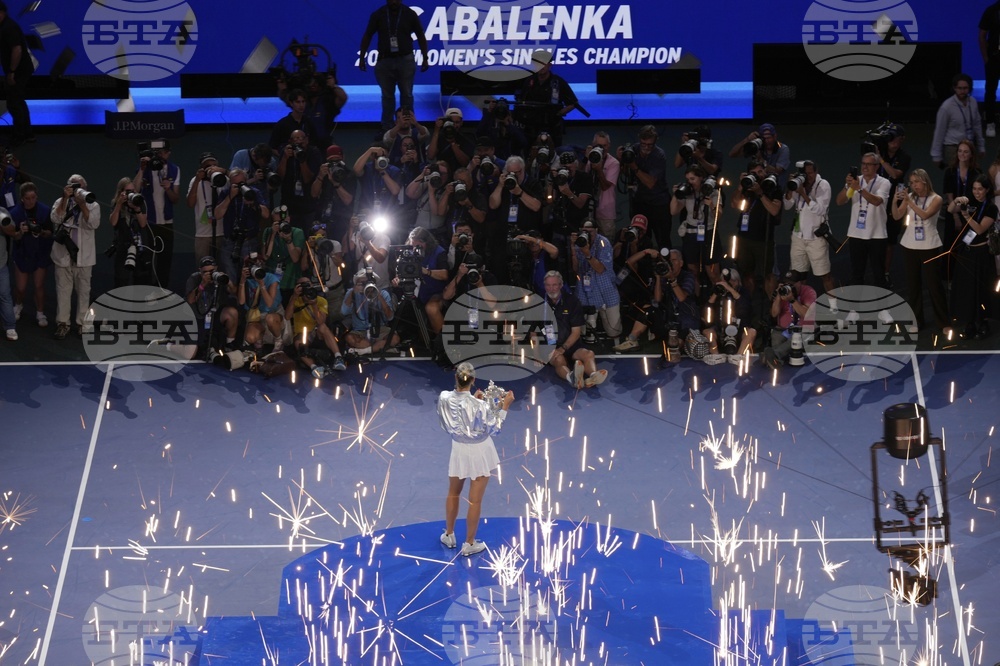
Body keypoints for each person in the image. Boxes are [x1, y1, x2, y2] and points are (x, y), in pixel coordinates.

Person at [437, 362, 514, 557]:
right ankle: (469, 543)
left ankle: (449, 534)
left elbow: (451, 420)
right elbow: (495, 429)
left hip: (458, 449)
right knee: (475, 501)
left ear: (456, 377)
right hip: (480, 452)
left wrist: (474, 403)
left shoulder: (444, 397)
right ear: (473, 380)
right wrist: (505, 406)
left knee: (453, 493)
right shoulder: (479, 405)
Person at [614, 249, 699, 360]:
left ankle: (678, 345)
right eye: (669, 261)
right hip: (668, 317)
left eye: (674, 260)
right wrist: (658, 278)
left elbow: (681, 297)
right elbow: (658, 299)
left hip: (685, 318)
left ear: (681, 263)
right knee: (648, 309)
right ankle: (632, 340)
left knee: (675, 349)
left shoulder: (688, 276)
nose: (671, 263)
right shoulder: (664, 276)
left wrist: (672, 279)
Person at [358, 0, 429, 130]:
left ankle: (408, 126)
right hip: (384, 60)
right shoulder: (378, 14)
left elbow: (421, 36)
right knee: (387, 96)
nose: (394, 2)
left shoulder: (409, 14)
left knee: (407, 94)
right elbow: (367, 35)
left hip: (405, 59)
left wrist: (425, 57)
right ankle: (387, 127)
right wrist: (362, 57)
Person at [891, 168, 947, 333]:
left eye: (916, 182)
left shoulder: (936, 199)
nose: (913, 185)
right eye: (911, 182)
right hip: (910, 245)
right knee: (913, 285)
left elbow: (925, 215)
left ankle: (944, 322)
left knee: (934, 285)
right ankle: (916, 320)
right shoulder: (910, 197)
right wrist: (894, 202)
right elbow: (896, 216)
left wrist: (909, 202)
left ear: (924, 181)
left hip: (929, 245)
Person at [946, 174, 997, 340]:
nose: (977, 192)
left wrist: (967, 216)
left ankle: (983, 321)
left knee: (982, 288)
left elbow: (980, 229)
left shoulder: (991, 208)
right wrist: (956, 200)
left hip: (981, 254)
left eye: (980, 189)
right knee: (967, 288)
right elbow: (950, 210)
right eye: (974, 189)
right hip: (966, 251)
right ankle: (969, 321)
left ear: (987, 190)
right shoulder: (969, 202)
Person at [50, 175, 100, 340]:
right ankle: (63, 323)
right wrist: (65, 199)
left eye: (80, 186)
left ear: (85, 188)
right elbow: (55, 218)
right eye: (74, 186)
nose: (78, 190)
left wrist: (82, 204)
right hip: (63, 255)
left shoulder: (93, 205)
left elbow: (93, 224)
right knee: (63, 292)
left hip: (84, 257)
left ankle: (82, 324)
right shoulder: (60, 202)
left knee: (84, 292)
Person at [542, 270, 608, 388]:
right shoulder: (539, 303)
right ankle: (572, 378)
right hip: (550, 347)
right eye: (548, 285)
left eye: (554, 285)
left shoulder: (572, 301)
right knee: (559, 360)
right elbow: (533, 333)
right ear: (544, 286)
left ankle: (593, 376)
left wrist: (563, 348)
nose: (551, 289)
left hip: (570, 345)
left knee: (588, 354)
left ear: (561, 285)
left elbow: (576, 332)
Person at [836, 153, 891, 287]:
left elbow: (877, 201)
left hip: (877, 235)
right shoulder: (855, 181)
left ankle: (881, 300)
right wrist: (847, 186)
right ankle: (857, 300)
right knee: (857, 274)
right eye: (863, 163)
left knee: (879, 274)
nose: (865, 167)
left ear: (876, 166)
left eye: (869, 164)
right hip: (856, 234)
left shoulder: (884, 183)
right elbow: (840, 201)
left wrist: (859, 189)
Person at [782, 160, 835, 294]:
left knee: (825, 275)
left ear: (816, 172)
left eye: (810, 173)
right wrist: (790, 188)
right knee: (798, 276)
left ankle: (834, 304)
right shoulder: (798, 183)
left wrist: (803, 194)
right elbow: (787, 206)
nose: (808, 176)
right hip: (798, 237)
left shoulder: (823, 185)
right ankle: (800, 303)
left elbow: (820, 210)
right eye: (805, 174)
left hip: (816, 238)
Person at [133, 140, 180, 287]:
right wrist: (142, 169)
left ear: (168, 153)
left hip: (166, 222)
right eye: (157, 152)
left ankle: (162, 290)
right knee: (147, 259)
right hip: (149, 221)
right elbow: (135, 190)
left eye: (163, 152)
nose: (160, 155)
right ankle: (146, 290)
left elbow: (175, 199)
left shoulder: (174, 169)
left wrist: (168, 188)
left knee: (165, 260)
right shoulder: (145, 168)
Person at [731, 160, 782, 296]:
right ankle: (748, 301)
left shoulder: (773, 187)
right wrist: (740, 186)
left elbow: (774, 210)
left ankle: (772, 304)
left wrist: (760, 193)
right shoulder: (746, 186)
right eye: (754, 173)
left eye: (760, 171)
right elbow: (734, 204)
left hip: (764, 239)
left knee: (768, 274)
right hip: (745, 237)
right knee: (747, 273)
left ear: (765, 171)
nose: (758, 175)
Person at [670, 164, 723, 293]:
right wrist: (676, 195)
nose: (690, 182)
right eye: (688, 179)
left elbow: (719, 216)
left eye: (693, 179)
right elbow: (673, 211)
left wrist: (711, 205)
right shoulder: (687, 192)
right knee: (693, 271)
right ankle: (695, 299)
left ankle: (717, 297)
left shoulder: (713, 192)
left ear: (701, 178)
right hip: (691, 233)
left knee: (712, 271)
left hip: (708, 232)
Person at [619, 125, 671, 248]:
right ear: (639, 139)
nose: (646, 147)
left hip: (658, 204)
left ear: (655, 142)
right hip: (639, 202)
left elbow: (650, 183)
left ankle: (665, 259)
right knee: (641, 239)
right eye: (643, 144)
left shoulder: (659, 155)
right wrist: (622, 160)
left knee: (663, 240)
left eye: (650, 145)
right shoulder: (633, 150)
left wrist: (634, 166)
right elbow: (626, 174)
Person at [570, 221, 621, 345]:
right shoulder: (579, 242)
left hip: (605, 289)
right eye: (584, 230)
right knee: (583, 330)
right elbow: (576, 269)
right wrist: (573, 248)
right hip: (585, 289)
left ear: (596, 230)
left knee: (614, 330)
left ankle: (616, 344)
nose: (587, 233)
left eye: (590, 231)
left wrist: (587, 254)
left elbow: (600, 269)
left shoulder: (603, 243)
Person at [9, 182, 52, 328]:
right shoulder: (15, 213)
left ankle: (40, 313)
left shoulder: (45, 211)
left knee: (39, 285)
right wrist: (20, 232)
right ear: (22, 198)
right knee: (21, 288)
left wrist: (41, 231)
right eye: (27, 198)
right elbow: (14, 236)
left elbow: (50, 233)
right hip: (23, 253)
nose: (31, 201)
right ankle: (18, 305)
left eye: (33, 197)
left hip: (40, 252)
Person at [516, 50, 579, 147]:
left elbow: (574, 103)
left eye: (544, 63)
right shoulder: (529, 81)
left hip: (552, 128)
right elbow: (520, 102)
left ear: (550, 65)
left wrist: (559, 113)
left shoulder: (558, 82)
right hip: (531, 128)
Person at [286, 277, 346, 376]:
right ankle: (314, 367)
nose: (306, 287)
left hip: (317, 332)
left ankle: (338, 357)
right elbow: (287, 317)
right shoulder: (295, 300)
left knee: (323, 326)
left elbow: (320, 321)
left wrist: (314, 305)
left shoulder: (321, 300)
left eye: (308, 283)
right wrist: (294, 296)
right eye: (302, 284)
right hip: (302, 334)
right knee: (298, 343)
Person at [758, 270, 817, 370]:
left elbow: (807, 314)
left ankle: (773, 355)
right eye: (786, 283)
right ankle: (775, 360)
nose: (789, 286)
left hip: (802, 329)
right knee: (776, 337)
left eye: (792, 284)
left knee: (798, 337)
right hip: (783, 329)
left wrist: (792, 300)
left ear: (799, 283)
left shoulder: (808, 292)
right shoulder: (782, 291)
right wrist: (778, 297)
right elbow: (774, 314)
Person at [875, 125, 911, 286]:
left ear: (901, 139)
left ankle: (886, 272)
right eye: (889, 137)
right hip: (876, 198)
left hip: (894, 200)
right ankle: (876, 270)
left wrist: (881, 160)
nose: (892, 141)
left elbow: (895, 174)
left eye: (895, 137)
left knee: (890, 240)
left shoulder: (904, 156)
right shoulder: (879, 151)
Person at [184, 255, 239, 353]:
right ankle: (168, 345)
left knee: (232, 313)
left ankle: (229, 345)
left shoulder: (219, 278)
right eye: (205, 272)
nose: (209, 274)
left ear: (216, 268)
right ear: (200, 271)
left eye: (211, 271)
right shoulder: (194, 278)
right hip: (197, 317)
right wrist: (203, 284)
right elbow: (190, 300)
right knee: (191, 351)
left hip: (214, 315)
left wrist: (228, 281)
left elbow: (234, 292)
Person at [931, 74, 986, 169]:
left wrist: (981, 146)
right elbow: (940, 131)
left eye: (965, 88)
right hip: (953, 147)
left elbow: (977, 125)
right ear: (954, 88)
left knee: (971, 173)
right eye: (959, 88)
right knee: (956, 175)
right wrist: (936, 155)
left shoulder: (973, 102)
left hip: (970, 145)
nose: (962, 91)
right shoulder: (947, 107)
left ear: (970, 88)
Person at [108, 177, 155, 287]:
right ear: (121, 192)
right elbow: (113, 222)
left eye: (133, 191)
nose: (131, 194)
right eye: (128, 191)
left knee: (141, 280)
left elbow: (143, 224)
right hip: (123, 246)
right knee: (121, 281)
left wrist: (137, 209)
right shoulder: (116, 203)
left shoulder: (139, 201)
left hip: (139, 246)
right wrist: (119, 205)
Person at [0, 1, 34, 146]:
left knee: (14, 102)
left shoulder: (8, 27)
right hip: (21, 69)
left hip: (19, 70)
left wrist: (12, 72)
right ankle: (27, 134)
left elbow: (17, 49)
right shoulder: (6, 26)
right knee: (18, 101)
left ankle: (20, 135)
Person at [342, 269, 399, 355]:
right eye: (362, 283)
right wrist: (353, 292)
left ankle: (364, 351)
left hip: (380, 328)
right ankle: (379, 348)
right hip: (360, 330)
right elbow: (344, 312)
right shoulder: (352, 292)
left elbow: (390, 317)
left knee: (395, 339)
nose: (366, 285)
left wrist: (379, 296)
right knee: (350, 338)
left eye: (367, 282)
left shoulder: (383, 293)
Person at [186, 152, 229, 262]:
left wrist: (224, 171)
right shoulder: (195, 181)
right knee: (203, 265)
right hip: (203, 233)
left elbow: (238, 181)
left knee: (222, 266)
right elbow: (190, 204)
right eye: (207, 166)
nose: (211, 168)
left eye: (214, 165)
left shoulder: (224, 179)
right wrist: (197, 180)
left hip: (222, 232)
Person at [238, 253, 286, 352]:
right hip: (256, 317)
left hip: (273, 313)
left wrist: (262, 284)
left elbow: (269, 303)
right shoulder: (247, 280)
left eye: (258, 264)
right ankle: (259, 341)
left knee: (270, 319)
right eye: (252, 265)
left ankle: (278, 341)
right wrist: (242, 281)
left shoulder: (271, 278)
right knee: (249, 337)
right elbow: (241, 301)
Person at [277, 129, 321, 228]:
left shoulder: (313, 152)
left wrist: (302, 159)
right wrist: (284, 158)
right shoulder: (286, 152)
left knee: (308, 232)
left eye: (301, 138)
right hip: (289, 203)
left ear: (307, 140)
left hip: (308, 203)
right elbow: (280, 176)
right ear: (290, 141)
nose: (299, 141)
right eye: (295, 139)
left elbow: (307, 179)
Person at [585, 131, 621, 239]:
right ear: (593, 145)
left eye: (604, 146)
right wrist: (586, 158)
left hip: (606, 212)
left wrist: (599, 169)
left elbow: (605, 187)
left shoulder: (614, 163)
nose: (602, 149)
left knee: (606, 242)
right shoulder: (590, 159)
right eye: (598, 145)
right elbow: (582, 178)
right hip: (589, 210)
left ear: (609, 146)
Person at [980, 1, 1000, 137]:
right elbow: (982, 35)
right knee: (991, 90)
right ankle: (990, 122)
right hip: (995, 57)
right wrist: (986, 58)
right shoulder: (991, 11)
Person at [0, 207, 15, 340]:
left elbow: (12, 232)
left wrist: (3, 224)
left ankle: (10, 326)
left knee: (5, 295)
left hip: (1, 264)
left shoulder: (2, 212)